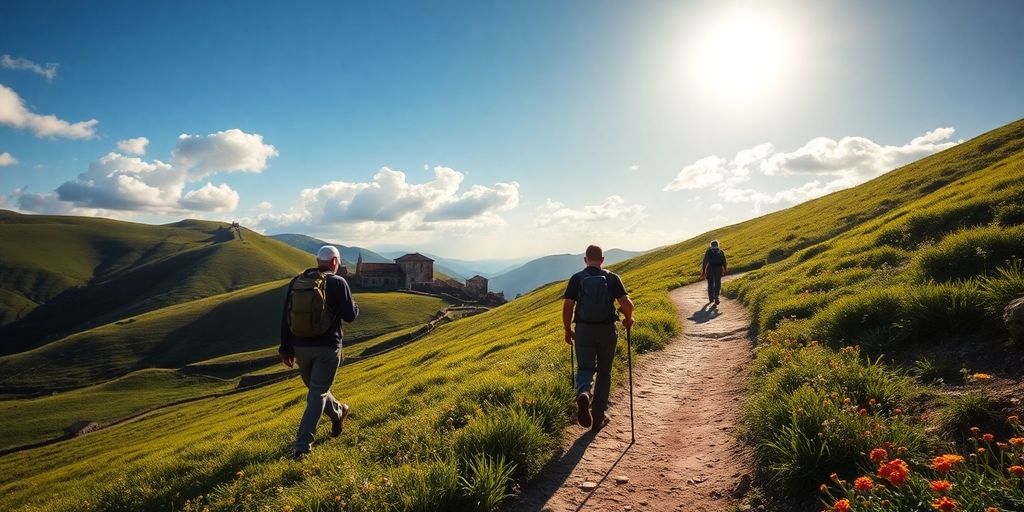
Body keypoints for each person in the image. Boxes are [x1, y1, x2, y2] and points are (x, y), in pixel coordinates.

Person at [280, 245, 359, 459]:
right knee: (318, 393)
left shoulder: (297, 282)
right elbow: (350, 316)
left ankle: (338, 413)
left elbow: (287, 317)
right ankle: (303, 446)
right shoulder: (338, 282)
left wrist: (285, 348)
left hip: (300, 347)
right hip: (327, 348)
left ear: (318, 261)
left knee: (316, 391)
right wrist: (355, 306)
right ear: (334, 261)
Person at [562, 245, 634, 431]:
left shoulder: (577, 279)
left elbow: (568, 306)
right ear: (602, 259)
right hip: (606, 330)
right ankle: (598, 417)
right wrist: (628, 318)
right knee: (604, 372)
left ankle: (584, 392)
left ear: (585, 259)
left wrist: (567, 329)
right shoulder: (612, 278)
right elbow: (626, 303)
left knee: (585, 367)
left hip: (584, 330)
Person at [700, 240, 728, 305]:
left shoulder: (708, 251)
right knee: (718, 282)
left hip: (710, 269)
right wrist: (725, 269)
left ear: (711, 245)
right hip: (719, 269)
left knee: (710, 283)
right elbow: (724, 261)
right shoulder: (721, 251)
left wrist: (704, 271)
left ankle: (711, 298)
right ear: (718, 245)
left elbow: (705, 262)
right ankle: (717, 296)